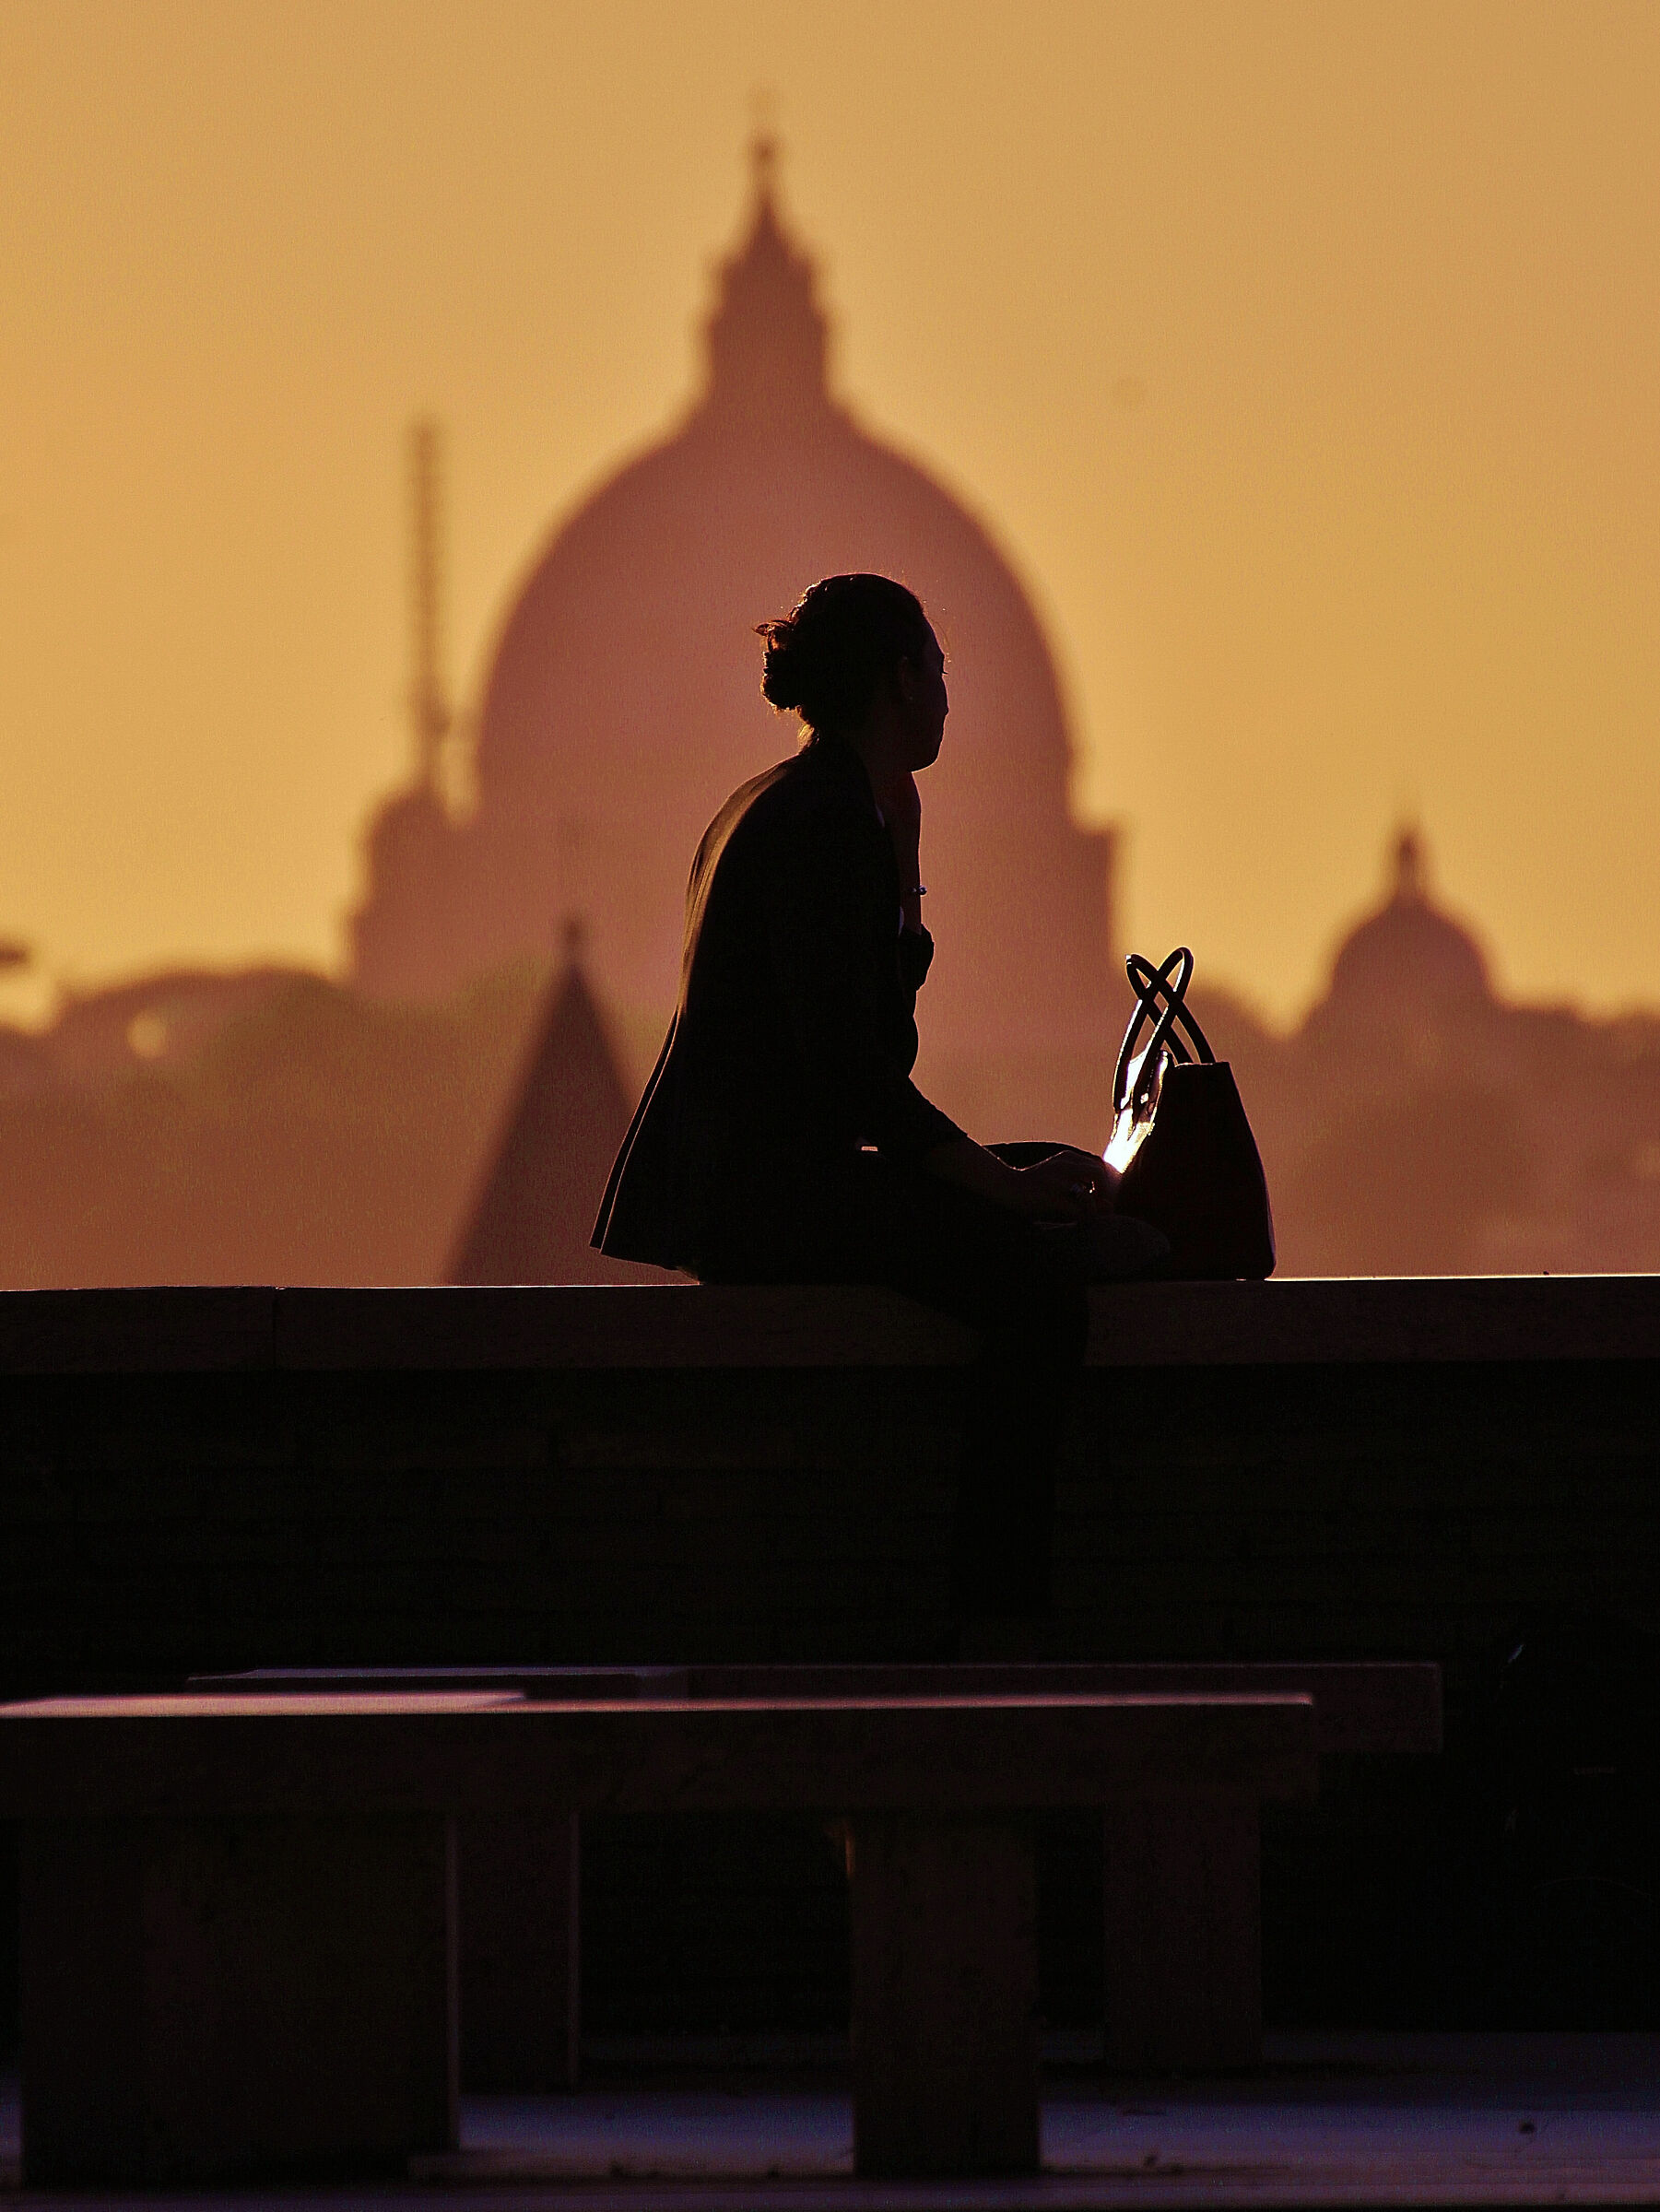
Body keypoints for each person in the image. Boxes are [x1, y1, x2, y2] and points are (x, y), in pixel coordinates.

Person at [594, 573, 1165, 1630]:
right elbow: (857, 1079)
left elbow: (861, 1050)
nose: (949, 697)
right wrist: (997, 1188)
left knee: (1043, 1169)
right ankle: (997, 1615)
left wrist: (903, 873)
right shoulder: (825, 823)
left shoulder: (803, 802)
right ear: (899, 679)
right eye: (938, 671)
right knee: (1035, 1295)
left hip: (763, 1176)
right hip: (765, 1198)